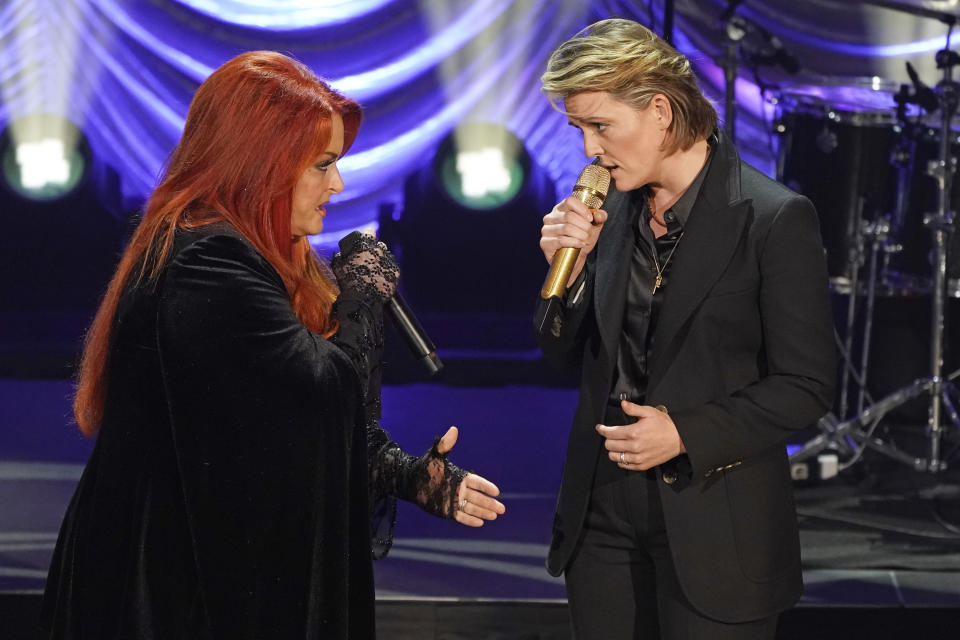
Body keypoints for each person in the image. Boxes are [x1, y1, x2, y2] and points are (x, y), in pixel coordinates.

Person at [41, 50, 505, 639]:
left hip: (221, 571)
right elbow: (322, 387)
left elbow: (291, 425)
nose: (337, 184)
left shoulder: (258, 257)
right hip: (175, 588)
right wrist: (362, 294)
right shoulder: (207, 262)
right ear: (259, 165)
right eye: (322, 164)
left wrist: (411, 477)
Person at [535, 19, 836, 639]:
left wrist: (685, 433)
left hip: (716, 517)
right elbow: (561, 357)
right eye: (579, 129)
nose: (589, 150)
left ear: (661, 111)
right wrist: (569, 275)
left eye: (601, 126)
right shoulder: (607, 212)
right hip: (603, 516)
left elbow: (806, 385)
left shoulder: (773, 218)